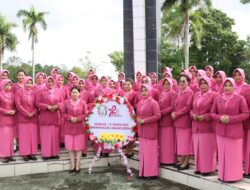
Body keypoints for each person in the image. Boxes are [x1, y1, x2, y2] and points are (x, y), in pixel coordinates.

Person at [211, 78, 249, 182]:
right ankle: (222, 175)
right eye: (226, 85)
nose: (227, 88)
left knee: (233, 155)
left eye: (230, 85)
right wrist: (220, 118)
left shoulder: (240, 98)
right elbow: (212, 113)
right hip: (221, 132)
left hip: (234, 132)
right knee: (223, 155)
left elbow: (246, 114)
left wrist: (230, 119)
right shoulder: (218, 98)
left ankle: (234, 176)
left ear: (234, 86)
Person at [191, 76, 217, 175]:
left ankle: (208, 169)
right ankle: (199, 168)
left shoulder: (214, 95)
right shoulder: (196, 94)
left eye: (205, 83)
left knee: (207, 148)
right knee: (197, 148)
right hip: (196, 125)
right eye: (201, 83)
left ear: (209, 84)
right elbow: (191, 109)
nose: (203, 85)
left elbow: (215, 111)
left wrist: (205, 117)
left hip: (207, 126)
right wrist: (192, 115)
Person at [61, 86, 88, 174]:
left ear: (79, 93)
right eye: (73, 92)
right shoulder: (66, 102)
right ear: (70, 93)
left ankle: (77, 166)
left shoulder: (83, 102)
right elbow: (63, 113)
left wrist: (78, 118)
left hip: (80, 127)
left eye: (76, 92)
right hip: (69, 127)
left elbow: (85, 113)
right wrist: (69, 118)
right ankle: (72, 166)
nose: (74, 94)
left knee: (79, 148)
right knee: (70, 148)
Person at [136, 84, 161, 179]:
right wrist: (138, 119)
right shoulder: (140, 103)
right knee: (143, 153)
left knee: (150, 153)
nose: (143, 92)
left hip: (150, 131)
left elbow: (158, 116)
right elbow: (138, 114)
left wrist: (144, 121)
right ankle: (143, 172)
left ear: (149, 91)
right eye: (142, 90)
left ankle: (151, 173)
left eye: (145, 90)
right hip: (142, 131)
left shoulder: (153, 102)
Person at [171, 74, 194, 170]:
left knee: (185, 142)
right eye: (180, 81)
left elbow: (187, 107)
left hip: (185, 120)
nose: (181, 83)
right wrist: (173, 112)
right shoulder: (179, 92)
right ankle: (182, 160)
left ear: (188, 82)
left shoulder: (190, 93)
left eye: (184, 81)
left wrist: (177, 114)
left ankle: (186, 162)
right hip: (178, 120)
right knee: (181, 142)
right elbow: (175, 105)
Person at [36, 76, 61, 160]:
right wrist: (47, 106)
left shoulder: (57, 91)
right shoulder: (41, 91)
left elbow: (62, 102)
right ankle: (46, 154)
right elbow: (37, 102)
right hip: (45, 116)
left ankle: (55, 153)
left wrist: (57, 106)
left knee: (55, 136)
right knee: (45, 136)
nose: (50, 83)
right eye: (49, 81)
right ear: (46, 82)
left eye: (52, 82)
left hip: (55, 115)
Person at [15, 76, 38, 161]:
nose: (29, 84)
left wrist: (33, 113)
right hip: (23, 118)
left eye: (30, 83)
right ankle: (25, 154)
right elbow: (18, 105)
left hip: (33, 118)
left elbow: (37, 105)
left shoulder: (34, 93)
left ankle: (32, 153)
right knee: (24, 137)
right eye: (27, 82)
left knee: (32, 136)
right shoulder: (18, 92)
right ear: (24, 82)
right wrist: (26, 113)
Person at [158, 78, 177, 166]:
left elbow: (173, 106)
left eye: (168, 84)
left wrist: (162, 112)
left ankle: (170, 160)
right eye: (165, 84)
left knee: (169, 141)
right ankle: (163, 159)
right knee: (163, 141)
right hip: (162, 120)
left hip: (169, 120)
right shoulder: (161, 94)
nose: (166, 85)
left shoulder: (173, 93)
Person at [0, 79, 16, 163]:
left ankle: (10, 155)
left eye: (10, 85)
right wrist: (6, 111)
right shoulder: (0, 94)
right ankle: (3, 156)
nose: (8, 86)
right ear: (3, 85)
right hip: (3, 119)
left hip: (11, 119)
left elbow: (15, 106)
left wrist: (14, 111)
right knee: (3, 138)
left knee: (10, 138)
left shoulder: (13, 95)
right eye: (6, 85)